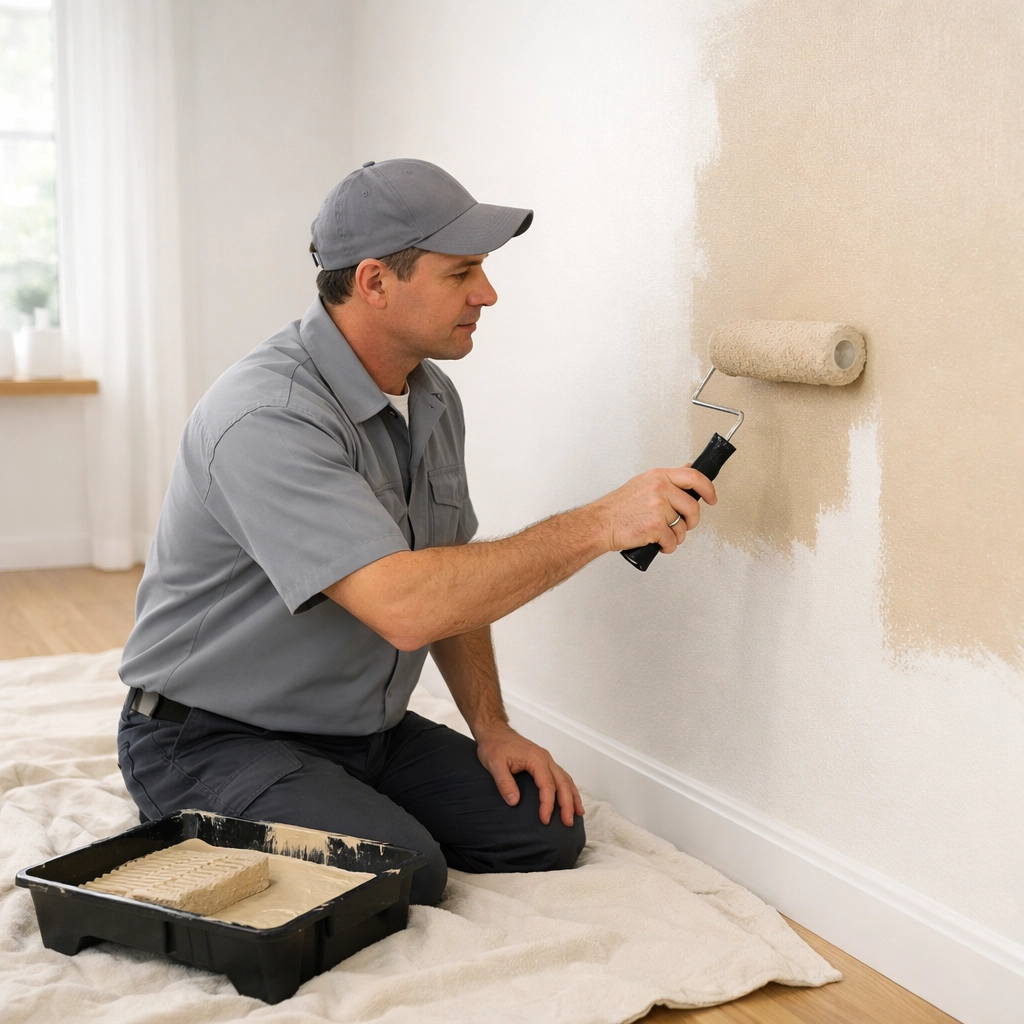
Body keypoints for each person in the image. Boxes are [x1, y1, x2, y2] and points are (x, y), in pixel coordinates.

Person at [117, 159, 717, 905]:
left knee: (544, 833)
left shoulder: (430, 395)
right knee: (406, 870)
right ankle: (196, 817)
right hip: (210, 738)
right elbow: (408, 607)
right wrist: (600, 523)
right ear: (375, 282)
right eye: (461, 272)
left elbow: (450, 575)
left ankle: (330, 800)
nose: (487, 293)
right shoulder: (268, 415)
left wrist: (492, 727)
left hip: (360, 734)